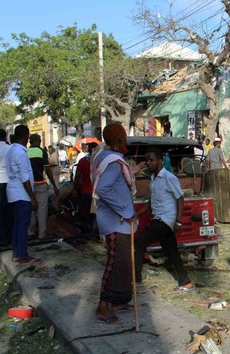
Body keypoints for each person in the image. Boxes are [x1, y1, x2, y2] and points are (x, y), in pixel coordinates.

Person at [92, 123, 137, 324]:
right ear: (119, 140)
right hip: (116, 221)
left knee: (124, 264)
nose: (126, 140)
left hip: (119, 221)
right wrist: (126, 211)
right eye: (124, 137)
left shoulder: (104, 155)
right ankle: (103, 306)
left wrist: (133, 169)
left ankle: (118, 300)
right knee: (115, 263)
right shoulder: (112, 160)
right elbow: (103, 189)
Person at [135, 147, 196, 294]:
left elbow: (180, 198)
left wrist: (178, 221)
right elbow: (152, 201)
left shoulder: (169, 177)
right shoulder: (153, 179)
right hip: (159, 218)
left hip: (165, 220)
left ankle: (136, 281)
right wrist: (138, 213)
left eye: (151, 160)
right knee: (171, 252)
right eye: (147, 160)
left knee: (139, 242)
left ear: (160, 161)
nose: (148, 163)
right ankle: (186, 282)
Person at [7, 125, 41, 264]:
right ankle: (23, 255)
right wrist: (33, 198)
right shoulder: (21, 153)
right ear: (26, 137)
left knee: (17, 225)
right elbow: (24, 178)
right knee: (22, 225)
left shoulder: (11, 150)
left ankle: (16, 254)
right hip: (22, 194)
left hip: (13, 192)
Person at [27, 134, 60, 239]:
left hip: (29, 185)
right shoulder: (41, 152)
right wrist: (54, 185)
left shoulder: (26, 152)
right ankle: (42, 234)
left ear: (30, 141)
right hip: (40, 184)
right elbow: (47, 170)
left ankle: (30, 232)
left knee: (31, 209)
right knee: (42, 210)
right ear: (39, 141)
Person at [74, 143, 98, 234]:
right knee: (95, 214)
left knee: (87, 214)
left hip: (85, 192)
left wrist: (75, 188)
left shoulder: (82, 161)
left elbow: (77, 176)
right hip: (96, 193)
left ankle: (89, 233)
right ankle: (95, 233)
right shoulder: (98, 162)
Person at [0, 129, 11, 247]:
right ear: (5, 137)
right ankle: (10, 235)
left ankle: (2, 237)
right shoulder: (9, 148)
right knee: (9, 209)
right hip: (9, 180)